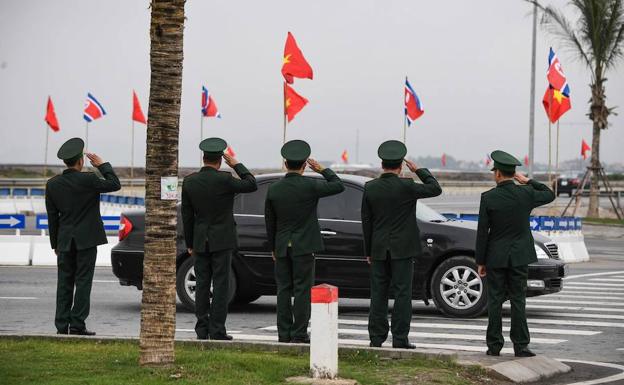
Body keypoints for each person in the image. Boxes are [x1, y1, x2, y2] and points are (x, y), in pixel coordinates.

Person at [362, 140, 442, 349]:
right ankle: (400, 338)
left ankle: (376, 338)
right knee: (402, 294)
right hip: (403, 249)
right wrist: (420, 170)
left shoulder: (370, 187)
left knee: (378, 294)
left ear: (382, 165)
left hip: (378, 248)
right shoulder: (407, 186)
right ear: (401, 166)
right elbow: (435, 189)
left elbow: (367, 221)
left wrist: (368, 250)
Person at [475, 150, 555, 357]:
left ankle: (494, 346)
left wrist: (480, 261)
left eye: (495, 172)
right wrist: (528, 181)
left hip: (496, 256)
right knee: (518, 300)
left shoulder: (488, 197)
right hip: (520, 256)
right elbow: (549, 193)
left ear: (499, 174)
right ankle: (521, 346)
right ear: (514, 174)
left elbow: (483, 231)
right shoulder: (526, 193)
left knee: (494, 300)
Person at [264, 140, 345, 343]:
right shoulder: (310, 185)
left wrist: (274, 246)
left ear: (285, 163)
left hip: (282, 245)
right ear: (304, 165)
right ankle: (299, 333)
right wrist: (323, 170)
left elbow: (270, 221)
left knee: (283, 289)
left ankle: (283, 333)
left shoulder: (274, 188)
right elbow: (338, 186)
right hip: (304, 245)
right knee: (301, 290)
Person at [182, 137, 257, 340]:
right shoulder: (225, 179)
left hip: (199, 241)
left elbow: (187, 216)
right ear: (220, 161)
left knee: (202, 284)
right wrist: (237, 164)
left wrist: (190, 243)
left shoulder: (190, 181)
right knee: (221, 284)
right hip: (222, 240)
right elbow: (251, 184)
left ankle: (201, 329)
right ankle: (217, 330)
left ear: (203, 158)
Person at [45, 137, 121, 335]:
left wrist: (55, 243)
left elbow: (52, 218)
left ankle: (61, 326)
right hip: (87, 240)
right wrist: (103, 165)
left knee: (64, 284)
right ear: (81, 161)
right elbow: (114, 184)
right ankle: (77, 324)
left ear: (65, 162)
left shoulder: (52, 184)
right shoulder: (89, 180)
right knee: (83, 282)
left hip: (64, 241)